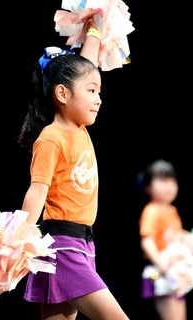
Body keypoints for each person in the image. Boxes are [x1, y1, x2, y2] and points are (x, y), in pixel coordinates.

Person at [15, 15, 130, 319]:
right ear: (63, 94)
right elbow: (37, 191)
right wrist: (15, 240)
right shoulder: (52, 138)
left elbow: (85, 68)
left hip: (81, 243)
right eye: (92, 92)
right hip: (63, 247)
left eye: (99, 91)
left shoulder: (77, 129)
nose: (99, 99)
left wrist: (96, 22)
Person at [138, 159, 193, 320]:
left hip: (176, 272)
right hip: (162, 273)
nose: (169, 186)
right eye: (163, 180)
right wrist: (164, 268)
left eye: (172, 180)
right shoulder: (152, 210)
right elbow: (147, 241)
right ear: (148, 186)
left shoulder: (172, 210)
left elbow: (177, 236)